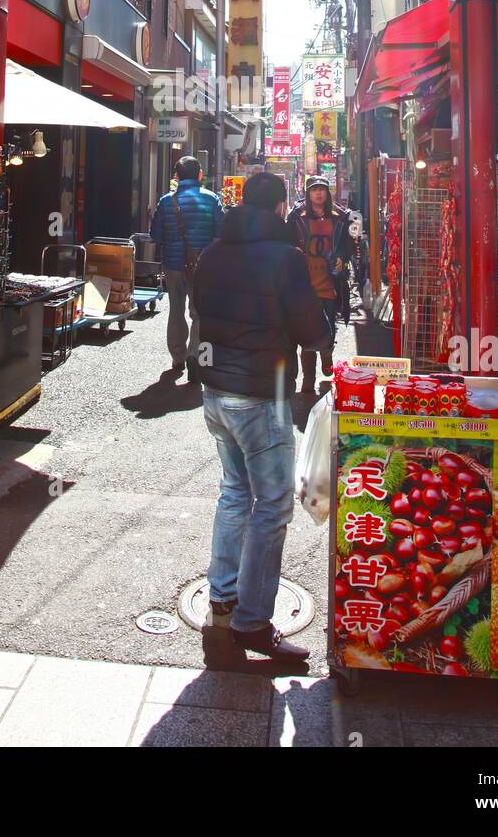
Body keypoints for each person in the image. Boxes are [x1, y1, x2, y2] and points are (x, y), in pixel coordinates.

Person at [193, 170, 327, 665]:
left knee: (234, 493)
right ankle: (252, 622)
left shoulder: (213, 252)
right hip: (260, 394)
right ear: (278, 208)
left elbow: (199, 309)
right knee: (271, 506)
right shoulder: (287, 258)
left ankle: (222, 604)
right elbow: (312, 329)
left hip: (216, 391)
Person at [149, 155, 223, 379]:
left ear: (176, 176)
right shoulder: (211, 200)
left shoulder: (165, 202)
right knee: (199, 314)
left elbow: (156, 235)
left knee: (176, 310)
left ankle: (177, 358)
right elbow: (221, 234)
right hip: (203, 267)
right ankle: (195, 356)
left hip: (173, 265)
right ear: (200, 175)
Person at [286, 175, 355, 392]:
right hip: (304, 284)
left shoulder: (340, 218)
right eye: (314, 189)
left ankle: (327, 355)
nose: (318, 193)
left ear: (327, 193)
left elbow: (348, 246)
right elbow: (288, 244)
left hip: (330, 283)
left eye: (322, 189)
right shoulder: (297, 217)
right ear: (308, 193)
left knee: (328, 330)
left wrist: (342, 257)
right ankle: (308, 379)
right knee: (306, 333)